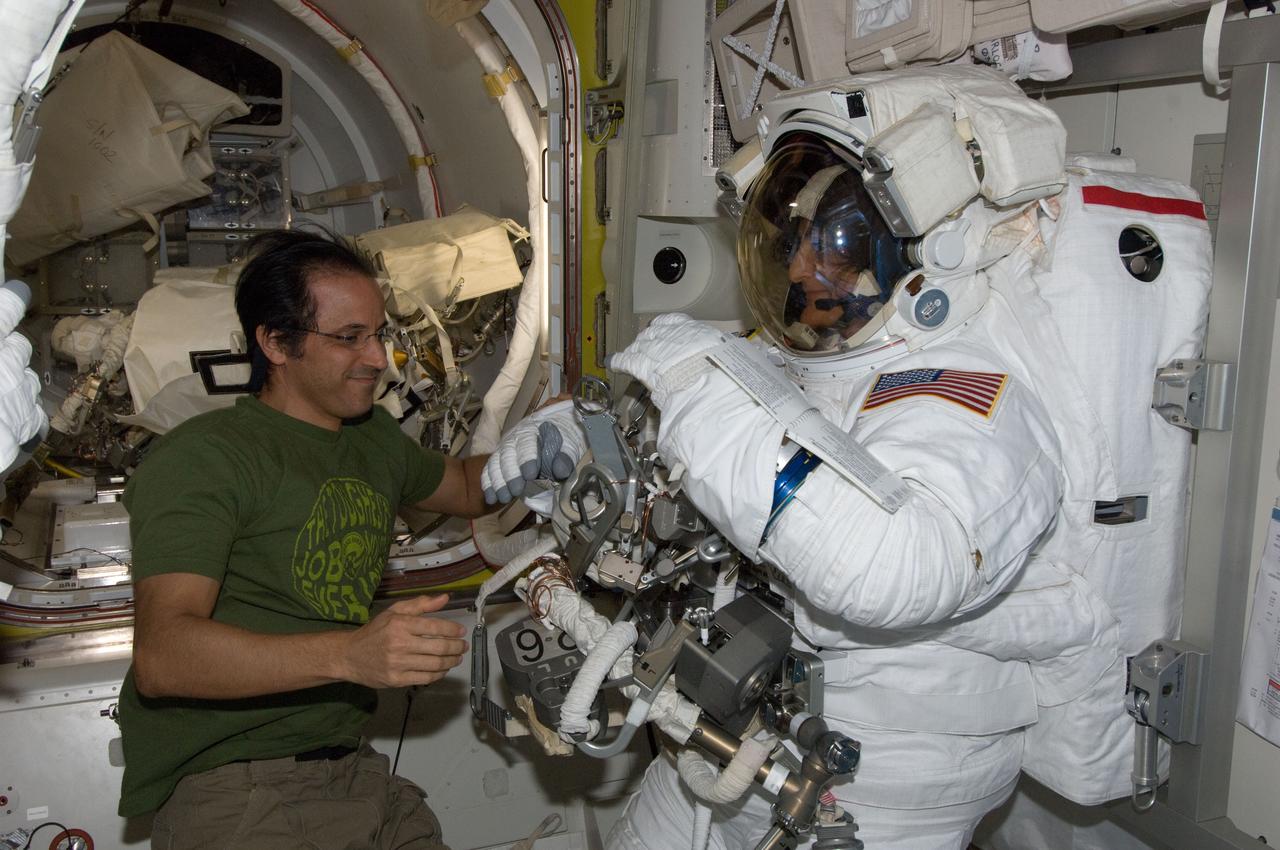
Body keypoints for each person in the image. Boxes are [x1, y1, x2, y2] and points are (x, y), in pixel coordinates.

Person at [483, 66, 1116, 849]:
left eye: (837, 250)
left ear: (929, 248)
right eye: (792, 243)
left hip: (881, 779)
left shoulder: (969, 397)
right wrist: (578, 450)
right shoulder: (790, 365)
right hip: (726, 735)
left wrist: (694, 380)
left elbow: (892, 566)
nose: (800, 272)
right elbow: (689, 469)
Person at [116, 229, 492, 850]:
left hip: (355, 773)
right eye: (349, 338)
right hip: (238, 787)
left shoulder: (369, 436)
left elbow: (466, 489)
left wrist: (545, 446)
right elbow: (163, 657)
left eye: (379, 334)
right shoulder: (207, 458)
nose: (378, 359)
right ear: (275, 342)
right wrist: (350, 657)